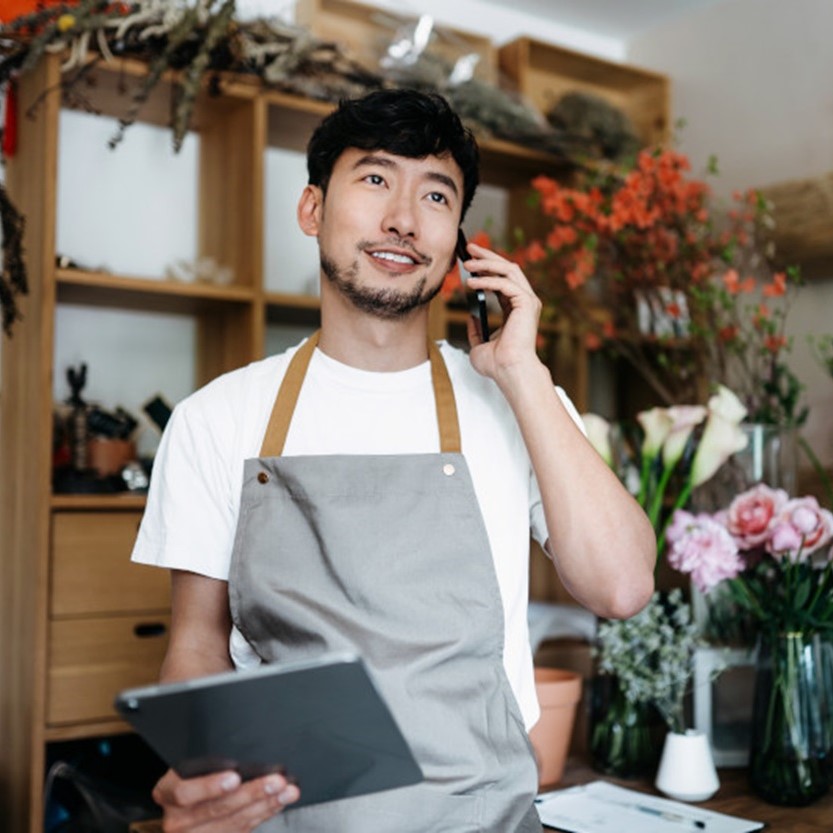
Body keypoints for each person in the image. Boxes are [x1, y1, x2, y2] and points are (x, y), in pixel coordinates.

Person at [131, 88, 656, 832]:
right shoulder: (216, 419)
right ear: (312, 210)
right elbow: (196, 644)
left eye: (435, 195)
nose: (403, 219)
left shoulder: (515, 404)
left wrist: (525, 376)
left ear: (460, 243)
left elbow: (623, 585)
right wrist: (206, 778)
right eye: (375, 179)